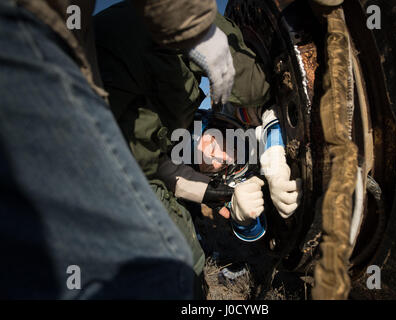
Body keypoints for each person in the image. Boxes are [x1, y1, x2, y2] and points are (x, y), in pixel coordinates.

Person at [0, 0, 234, 299]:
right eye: (217, 150)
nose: (219, 157)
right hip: (30, 47)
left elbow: (149, 160)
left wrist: (207, 190)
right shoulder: (150, 93)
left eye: (222, 159)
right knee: (169, 266)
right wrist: (195, 27)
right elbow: (145, 160)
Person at [93, 1, 272, 281]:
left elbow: (157, 167)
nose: (220, 160)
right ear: (216, 126)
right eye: (231, 148)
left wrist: (225, 200)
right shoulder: (180, 103)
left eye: (225, 167)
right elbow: (252, 85)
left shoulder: (170, 141)